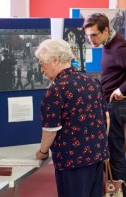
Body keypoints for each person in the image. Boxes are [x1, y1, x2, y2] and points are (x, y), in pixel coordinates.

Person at [35, 39, 109, 197]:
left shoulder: (56, 89)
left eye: (43, 63)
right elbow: (105, 118)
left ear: (56, 60)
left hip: (73, 160)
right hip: (97, 155)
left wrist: (42, 151)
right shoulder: (93, 82)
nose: (41, 69)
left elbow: (50, 131)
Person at [82, 13, 126, 196]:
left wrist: (122, 89)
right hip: (109, 106)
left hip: (116, 107)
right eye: (88, 36)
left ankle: (118, 192)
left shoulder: (119, 48)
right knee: (112, 151)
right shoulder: (109, 44)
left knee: (115, 153)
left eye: (94, 35)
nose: (91, 40)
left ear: (106, 30)